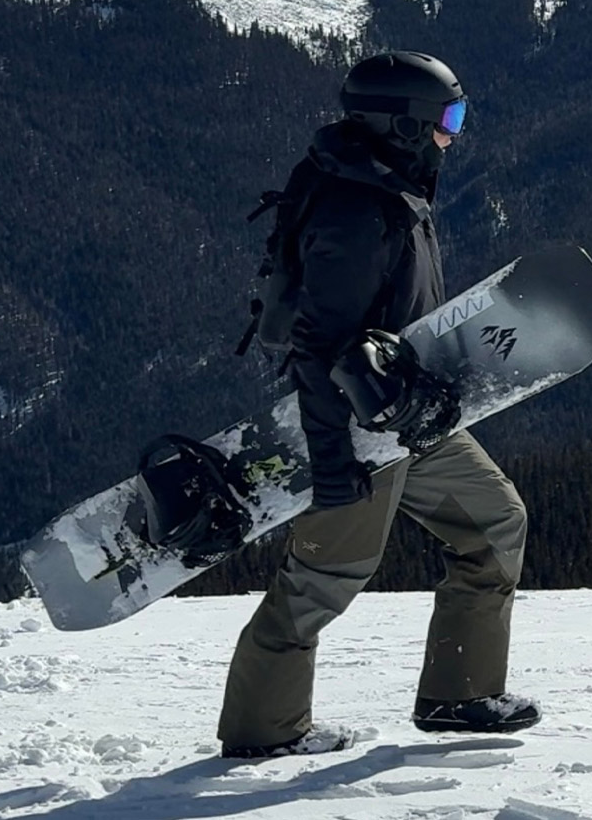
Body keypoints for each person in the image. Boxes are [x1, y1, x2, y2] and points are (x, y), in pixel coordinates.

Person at [217, 51, 537, 758]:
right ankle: (260, 731)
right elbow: (318, 344)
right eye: (447, 118)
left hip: (408, 415)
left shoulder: (391, 185)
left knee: (494, 520)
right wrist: (331, 459)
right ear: (405, 123)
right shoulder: (356, 209)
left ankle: (461, 693)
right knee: (326, 575)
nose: (455, 132)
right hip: (352, 425)